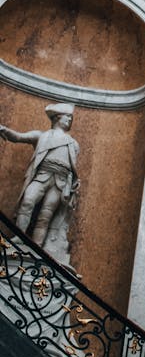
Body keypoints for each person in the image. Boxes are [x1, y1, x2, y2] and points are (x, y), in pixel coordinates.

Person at [0, 102, 79, 261]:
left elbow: (72, 167)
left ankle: (37, 246)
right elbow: (18, 137)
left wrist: (73, 183)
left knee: (46, 215)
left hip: (60, 182)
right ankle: (19, 237)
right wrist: (3, 129)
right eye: (67, 117)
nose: (69, 121)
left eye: (71, 118)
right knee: (28, 201)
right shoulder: (42, 136)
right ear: (57, 118)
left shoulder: (73, 143)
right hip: (42, 175)